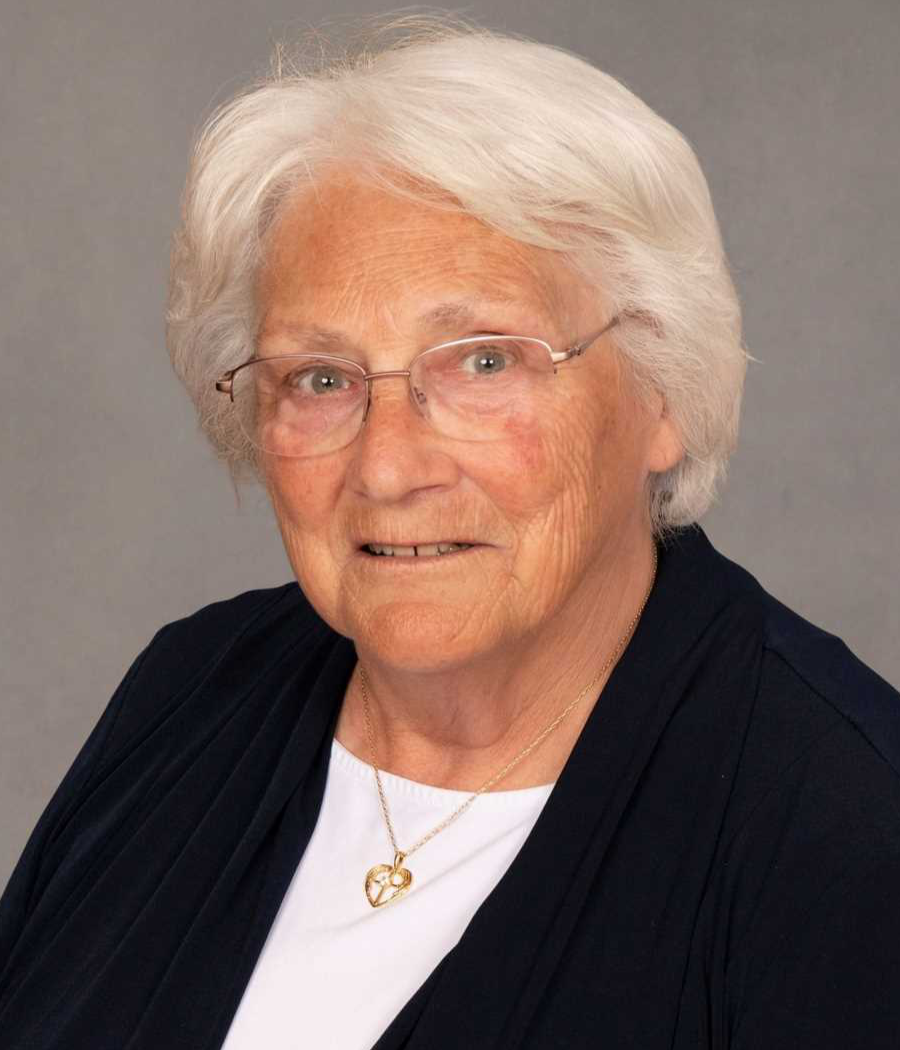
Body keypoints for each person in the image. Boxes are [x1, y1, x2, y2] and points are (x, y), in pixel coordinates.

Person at [1, 15, 898, 1050]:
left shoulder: (849, 838)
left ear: (663, 390)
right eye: (320, 379)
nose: (388, 466)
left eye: (483, 362)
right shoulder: (193, 690)